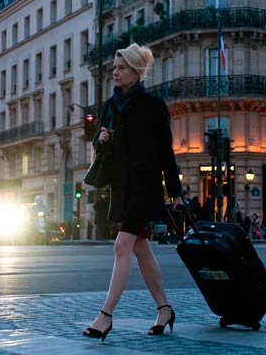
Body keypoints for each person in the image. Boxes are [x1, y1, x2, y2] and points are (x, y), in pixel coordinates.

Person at [82, 43, 183, 342]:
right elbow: (100, 148)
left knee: (122, 245)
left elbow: (166, 151)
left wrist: (175, 192)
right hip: (122, 187)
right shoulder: (110, 106)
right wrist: (100, 141)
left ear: (137, 72)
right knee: (140, 248)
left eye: (121, 68)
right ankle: (164, 309)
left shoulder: (153, 105)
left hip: (145, 185)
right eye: (114, 68)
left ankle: (106, 316)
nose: (115, 72)